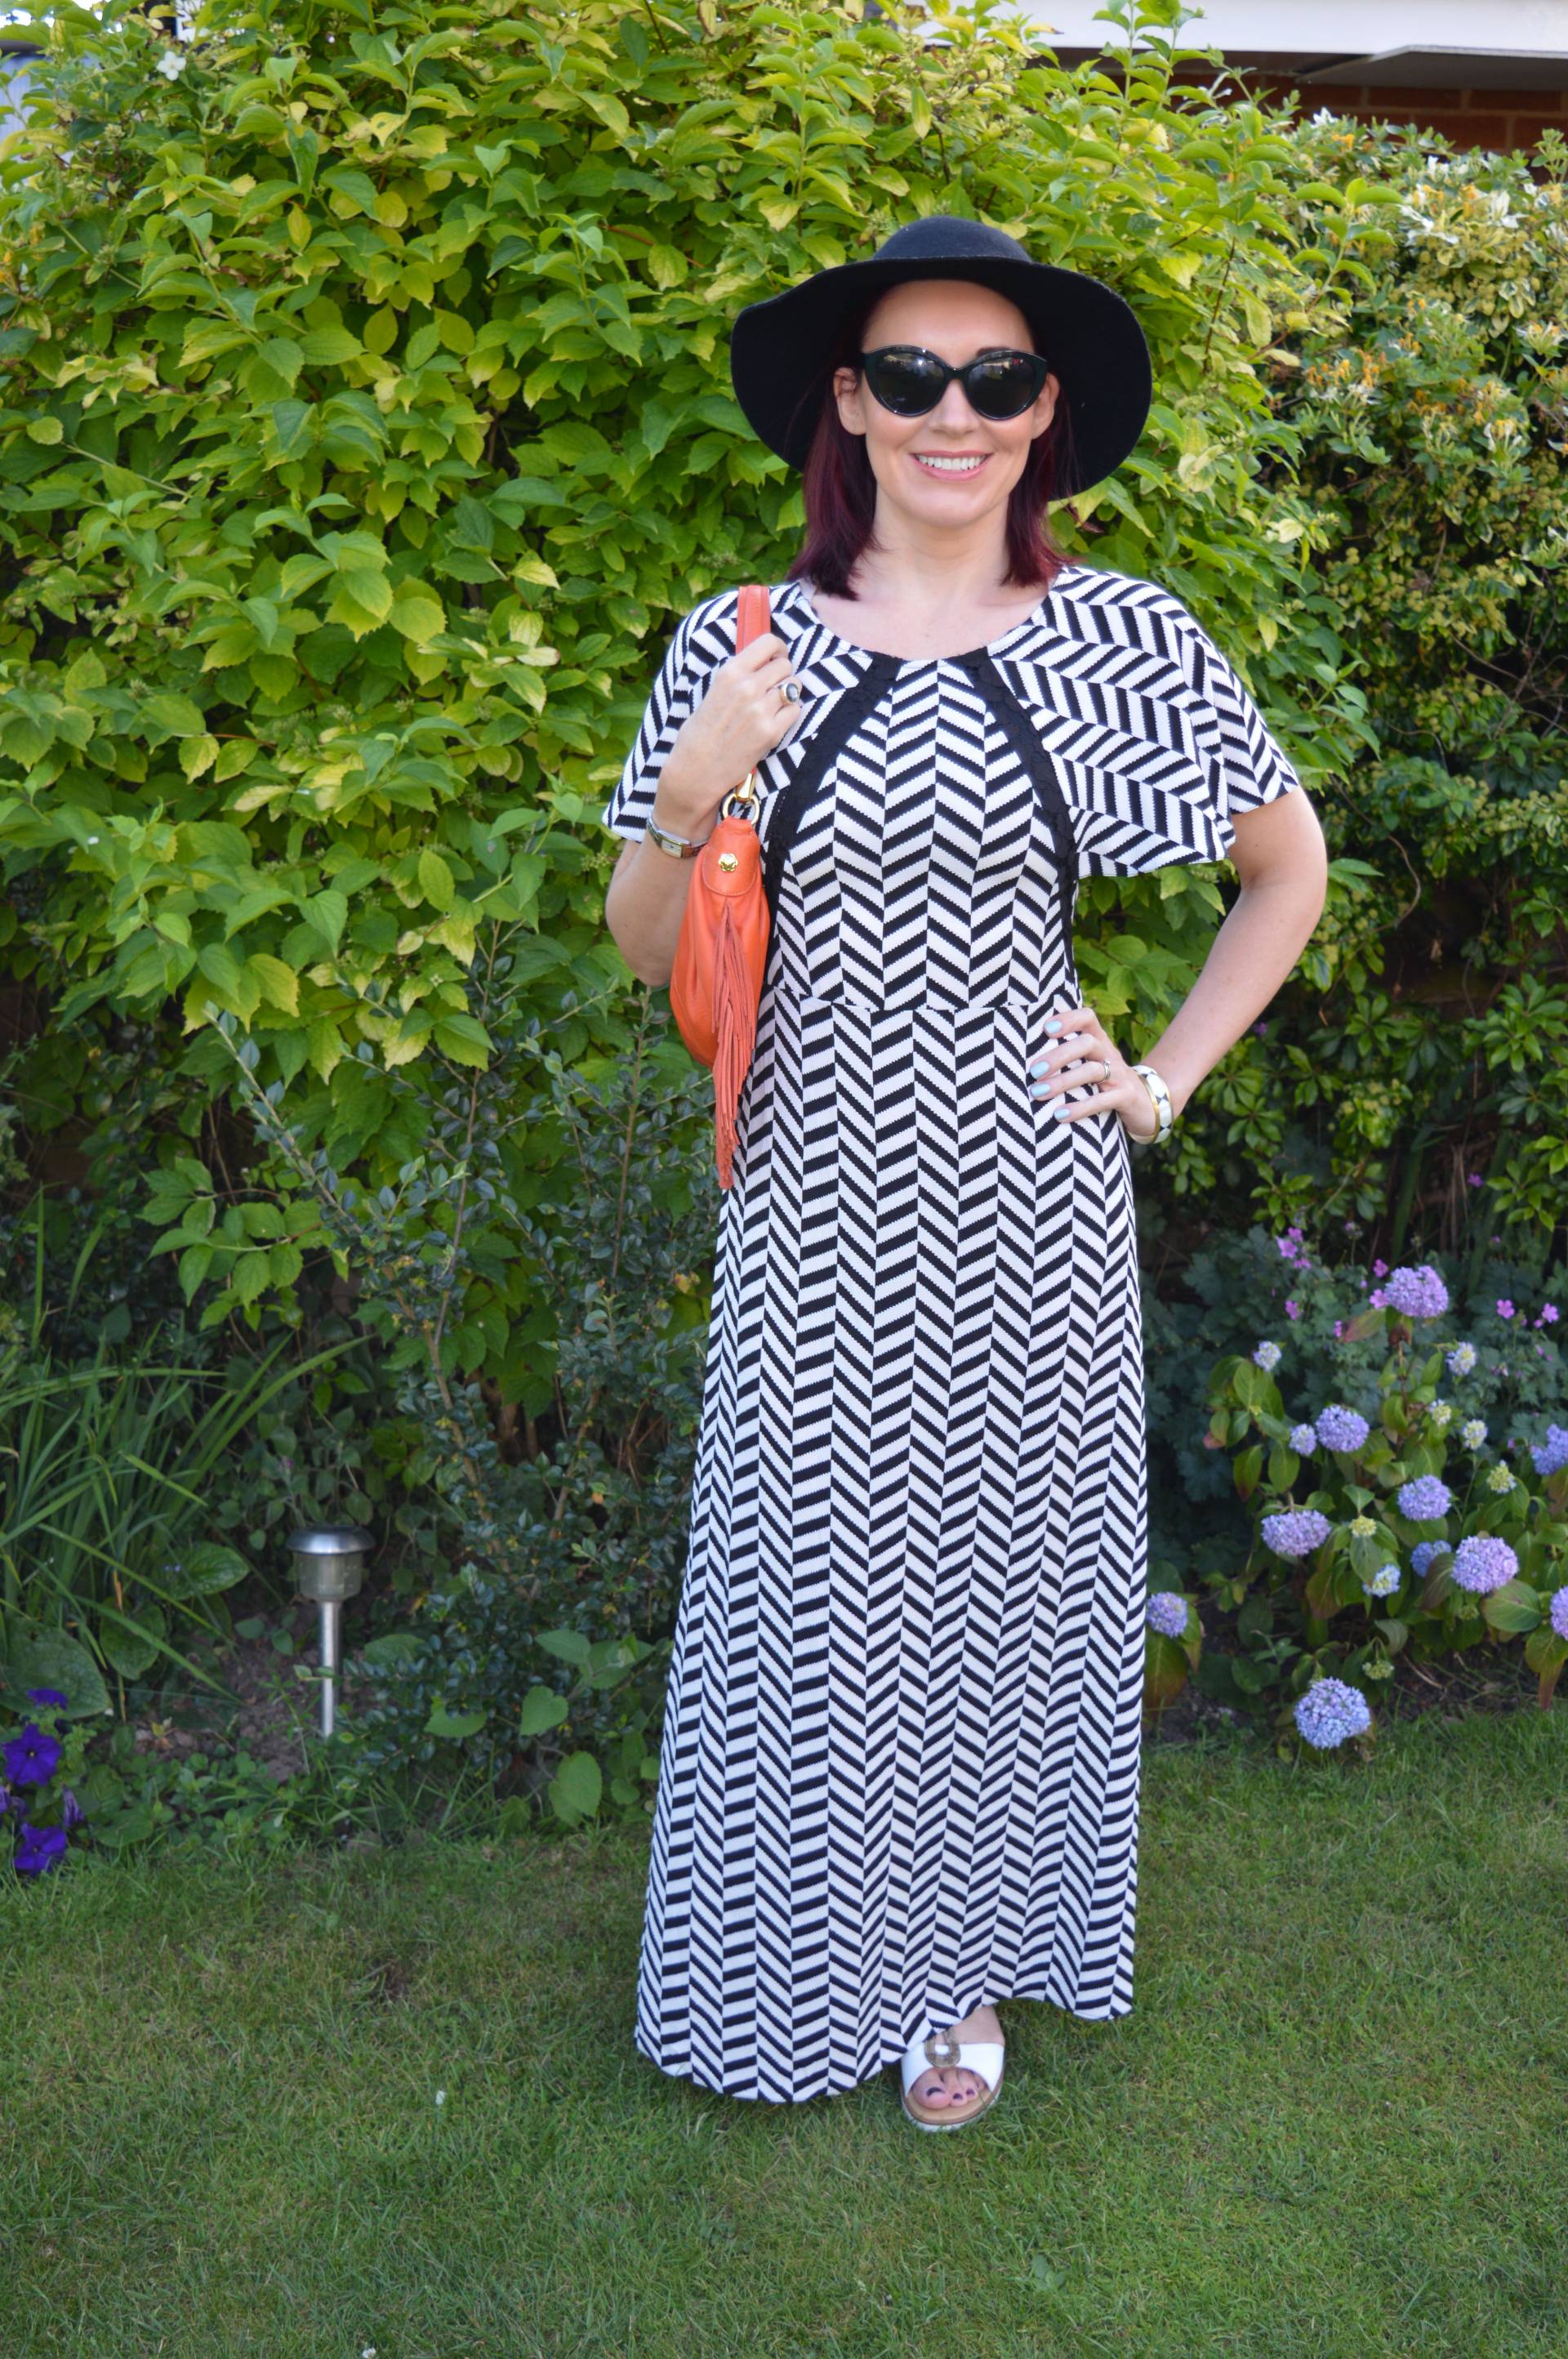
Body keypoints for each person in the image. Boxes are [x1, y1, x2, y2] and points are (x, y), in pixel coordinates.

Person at [602, 215, 1327, 2129]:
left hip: (1032, 1210)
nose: (952, 411)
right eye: (910, 375)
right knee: (806, 1592)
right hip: (818, 1208)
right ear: (850, 401)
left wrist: (1158, 1076)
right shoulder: (740, 643)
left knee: (997, 1594)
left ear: (1043, 416)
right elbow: (641, 942)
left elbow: (1290, 869)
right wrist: (695, 784)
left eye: (994, 380)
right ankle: (786, 1972)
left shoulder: (1119, 640)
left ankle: (953, 1983)